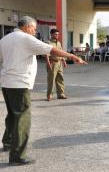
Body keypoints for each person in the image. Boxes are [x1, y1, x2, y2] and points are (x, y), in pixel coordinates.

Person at [0, 16, 86, 166]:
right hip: (19, 83)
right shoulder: (25, 38)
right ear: (27, 26)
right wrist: (72, 56)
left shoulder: (5, 39)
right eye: (34, 28)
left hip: (7, 82)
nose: (34, 31)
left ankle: (8, 142)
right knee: (22, 118)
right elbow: (51, 49)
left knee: (13, 114)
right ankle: (17, 156)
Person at [45, 29, 68, 101]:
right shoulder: (48, 43)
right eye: (55, 34)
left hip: (59, 63)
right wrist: (48, 63)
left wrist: (64, 61)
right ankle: (49, 95)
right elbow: (46, 54)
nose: (57, 35)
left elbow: (61, 52)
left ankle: (61, 94)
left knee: (60, 79)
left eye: (57, 34)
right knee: (51, 80)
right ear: (51, 34)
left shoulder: (59, 43)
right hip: (52, 62)